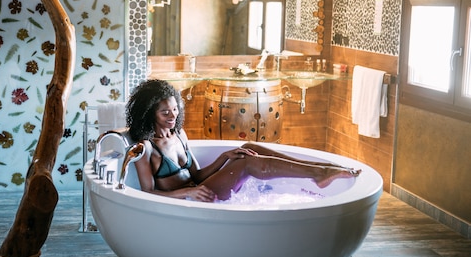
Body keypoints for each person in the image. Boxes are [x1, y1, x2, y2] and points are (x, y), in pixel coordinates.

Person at [126, 79, 360, 202]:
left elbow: (196, 175)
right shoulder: (146, 148)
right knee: (248, 164)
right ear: (150, 114)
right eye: (165, 112)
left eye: (175, 110)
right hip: (193, 199)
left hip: (200, 189)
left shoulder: (179, 134)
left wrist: (223, 157)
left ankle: (320, 169)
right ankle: (319, 174)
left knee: (247, 148)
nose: (173, 116)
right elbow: (147, 193)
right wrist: (186, 194)